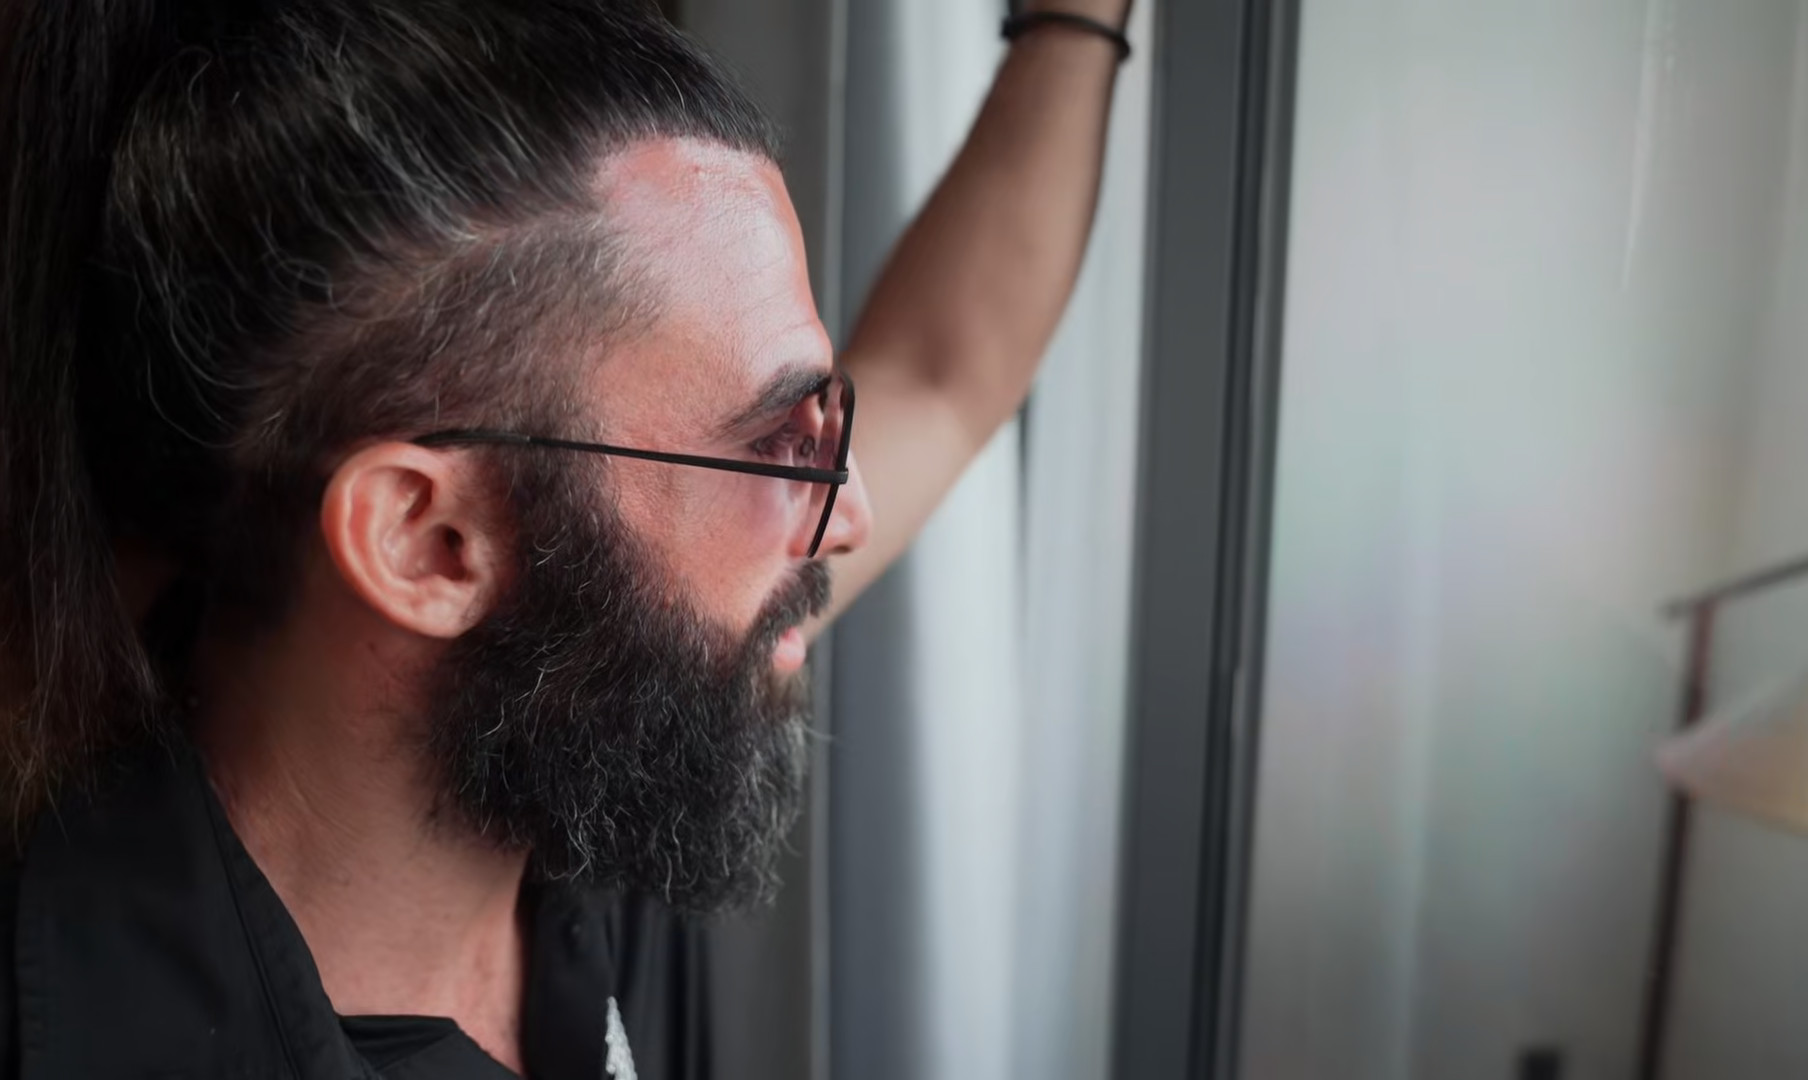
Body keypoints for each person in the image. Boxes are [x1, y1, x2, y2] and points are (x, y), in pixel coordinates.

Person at [0, 0, 1130, 1076]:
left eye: (825, 427)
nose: (851, 515)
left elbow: (941, 372)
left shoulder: (581, 715)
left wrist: (1075, 23)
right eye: (775, 440)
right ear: (432, 542)